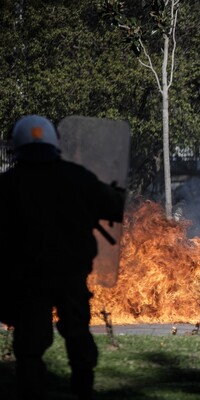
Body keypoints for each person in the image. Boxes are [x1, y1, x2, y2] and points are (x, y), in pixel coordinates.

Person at [0, 115, 125, 399]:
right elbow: (113, 207)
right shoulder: (78, 177)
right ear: (54, 143)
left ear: (17, 146)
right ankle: (83, 387)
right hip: (70, 273)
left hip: (29, 278)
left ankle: (30, 390)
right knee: (77, 331)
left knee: (30, 345)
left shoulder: (7, 184)